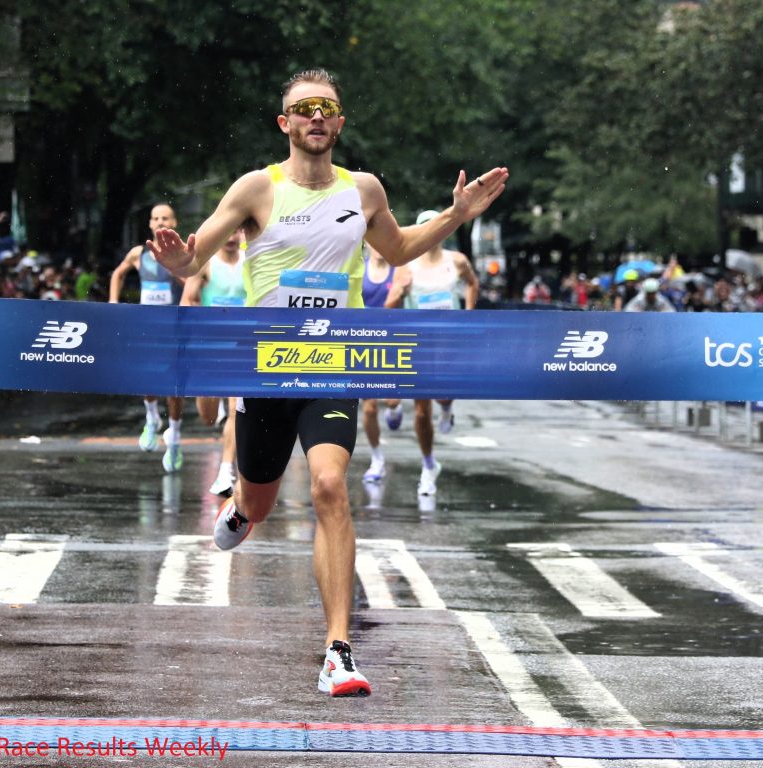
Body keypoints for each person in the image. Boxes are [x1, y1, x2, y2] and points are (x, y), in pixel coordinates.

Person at [147, 68, 508, 697]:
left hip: (334, 361)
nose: (316, 116)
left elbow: (397, 250)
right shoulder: (256, 188)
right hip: (267, 368)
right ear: (284, 123)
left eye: (327, 108)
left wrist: (456, 213)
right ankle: (243, 509)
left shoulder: (363, 189)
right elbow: (191, 258)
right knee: (259, 501)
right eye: (303, 108)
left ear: (339, 123)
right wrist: (173, 254)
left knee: (329, 484)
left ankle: (338, 649)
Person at [383, 209, 479, 496]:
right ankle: (428, 465)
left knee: (444, 394)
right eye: (424, 227)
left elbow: (473, 283)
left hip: (449, 340)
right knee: (422, 411)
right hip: (419, 343)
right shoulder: (406, 265)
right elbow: (390, 306)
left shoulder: (457, 261)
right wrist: (401, 293)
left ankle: (448, 408)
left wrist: (469, 314)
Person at [109, 203, 187, 472]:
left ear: (174, 222)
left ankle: (174, 437)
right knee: (147, 377)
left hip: (174, 325)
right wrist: (113, 302)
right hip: (146, 325)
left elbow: (193, 285)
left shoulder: (184, 254)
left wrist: (174, 266)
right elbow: (118, 274)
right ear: (150, 224)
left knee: (174, 385)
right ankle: (152, 418)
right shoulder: (138, 253)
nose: (160, 222)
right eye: (156, 218)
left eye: (165, 217)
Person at [179, 230, 247, 496]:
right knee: (207, 417)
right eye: (227, 232)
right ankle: (213, 407)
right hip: (209, 345)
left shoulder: (251, 261)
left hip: (242, 346)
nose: (231, 237)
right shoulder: (205, 263)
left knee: (236, 410)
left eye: (237, 232)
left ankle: (225, 471)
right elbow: (187, 300)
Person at [359, 245, 397, 483]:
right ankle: (377, 459)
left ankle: (395, 407)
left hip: (393, 344)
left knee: (391, 400)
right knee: (370, 407)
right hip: (364, 344)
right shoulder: (359, 270)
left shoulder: (399, 270)